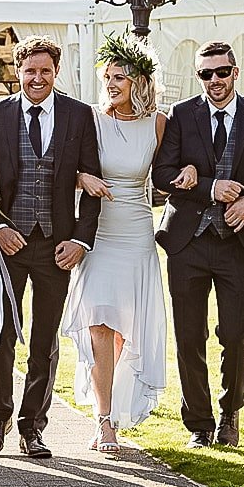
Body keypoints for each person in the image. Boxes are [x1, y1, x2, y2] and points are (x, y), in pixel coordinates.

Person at [0, 36, 102, 458]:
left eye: (45, 71)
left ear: (56, 71)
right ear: (18, 71)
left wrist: (80, 239)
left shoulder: (78, 115)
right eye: (30, 70)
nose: (37, 78)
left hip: (56, 246)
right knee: (0, 333)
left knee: (44, 339)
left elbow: (92, 182)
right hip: (7, 245)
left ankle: (33, 426)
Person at [152, 40, 244, 449]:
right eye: (205, 74)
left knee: (236, 334)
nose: (214, 80)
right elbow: (162, 175)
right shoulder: (181, 114)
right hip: (187, 243)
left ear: (235, 72)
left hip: (235, 244)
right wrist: (209, 187)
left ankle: (230, 413)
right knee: (190, 336)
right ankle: (199, 424)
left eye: (221, 72)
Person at [61, 33, 168, 455]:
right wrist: (81, 178)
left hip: (137, 233)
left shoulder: (158, 123)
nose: (110, 84)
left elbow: (166, 175)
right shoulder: (91, 119)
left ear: (139, 80)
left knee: (126, 328)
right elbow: (65, 168)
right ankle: (103, 419)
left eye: (119, 77)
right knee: (99, 323)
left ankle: (119, 403)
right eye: (107, 77)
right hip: (99, 234)